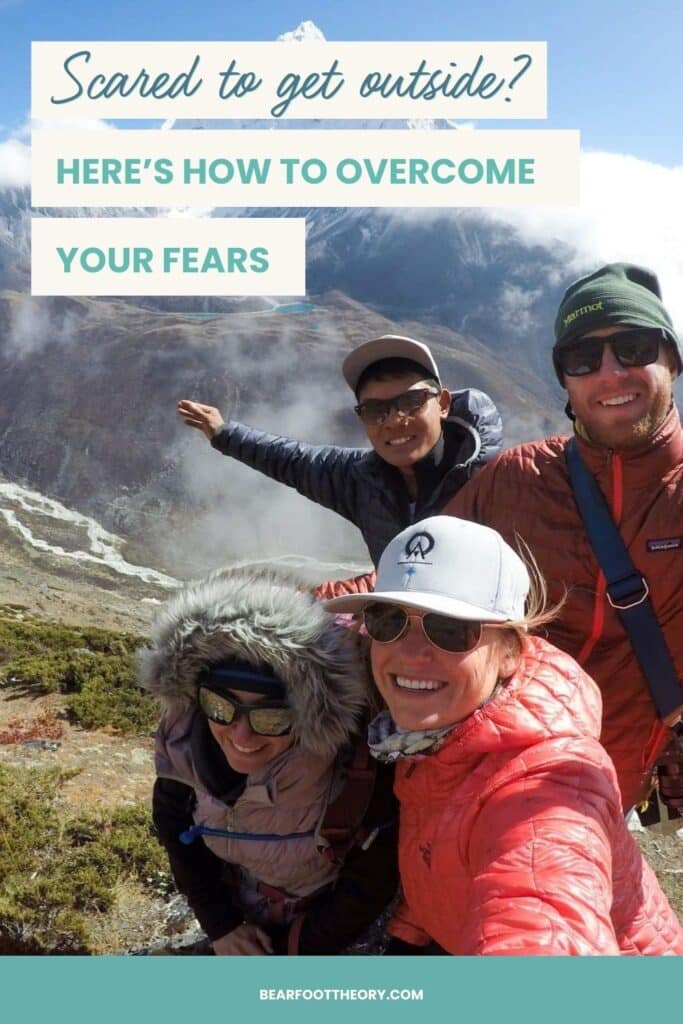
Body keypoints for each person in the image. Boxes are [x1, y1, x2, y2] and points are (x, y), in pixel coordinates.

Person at [324, 515, 683, 955]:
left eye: (450, 629)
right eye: (388, 620)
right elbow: (446, 849)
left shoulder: (543, 789)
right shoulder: (433, 735)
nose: (411, 652)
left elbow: (543, 907)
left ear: (511, 651)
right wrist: (410, 936)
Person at [447, 263, 683, 813]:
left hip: (616, 786)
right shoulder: (516, 479)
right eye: (582, 358)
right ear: (565, 382)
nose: (609, 373)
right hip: (504, 773)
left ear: (670, 358)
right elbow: (419, 569)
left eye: (633, 345)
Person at [138, 566, 398, 955]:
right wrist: (222, 925)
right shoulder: (184, 746)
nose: (242, 737)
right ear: (195, 697)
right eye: (219, 705)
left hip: (333, 926)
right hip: (243, 907)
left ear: (306, 713)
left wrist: (297, 948)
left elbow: (373, 875)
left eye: (272, 717)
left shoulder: (353, 759)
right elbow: (175, 827)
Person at [178, 334, 502, 566]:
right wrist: (224, 432)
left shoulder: (494, 479)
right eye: (377, 411)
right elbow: (293, 460)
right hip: (403, 641)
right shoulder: (361, 480)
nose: (394, 421)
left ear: (443, 404)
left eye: (410, 403)